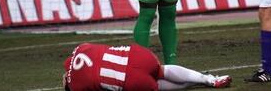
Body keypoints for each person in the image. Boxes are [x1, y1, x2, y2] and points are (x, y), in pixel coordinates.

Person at [63, 43, 232, 90]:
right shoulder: (81, 48)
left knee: (156, 85)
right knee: (162, 70)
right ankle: (208, 79)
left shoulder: (77, 86)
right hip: (139, 56)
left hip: (132, 81)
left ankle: (196, 83)